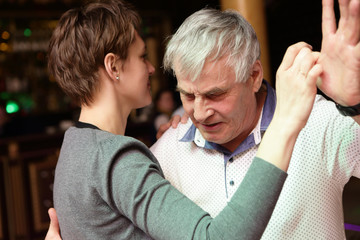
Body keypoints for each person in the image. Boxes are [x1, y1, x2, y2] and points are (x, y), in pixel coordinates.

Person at [46, 0, 322, 239]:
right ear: (113, 66)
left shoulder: (74, 149)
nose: (152, 68)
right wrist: (285, 123)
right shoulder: (116, 158)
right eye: (142, 57)